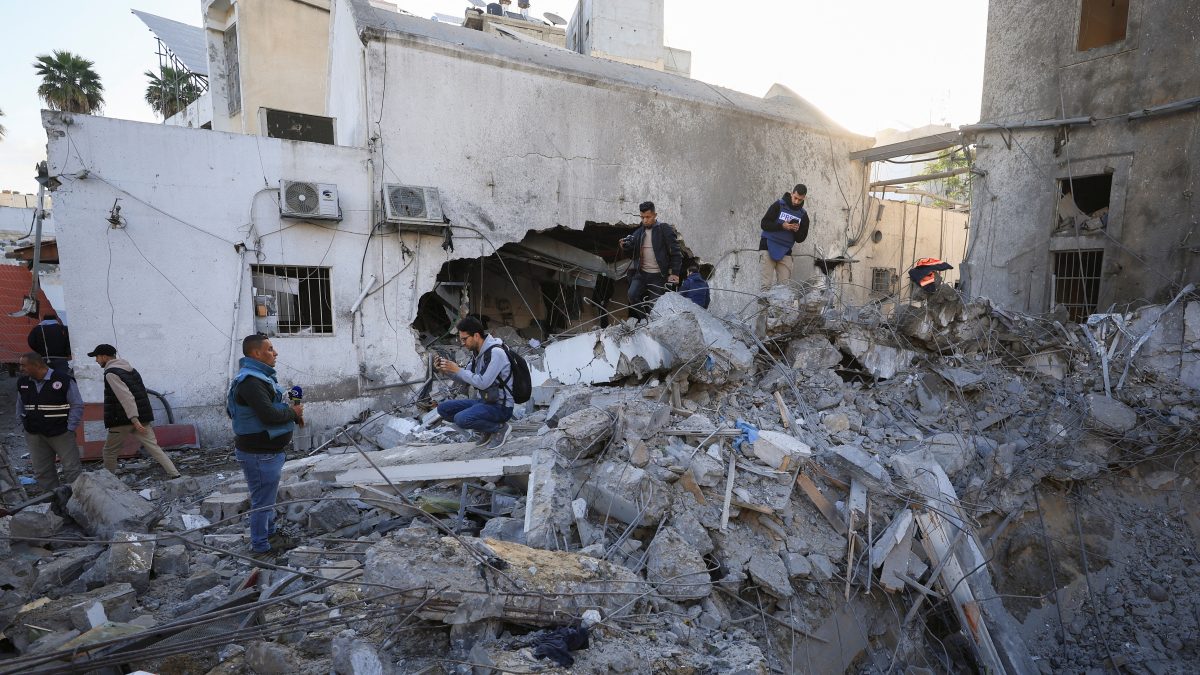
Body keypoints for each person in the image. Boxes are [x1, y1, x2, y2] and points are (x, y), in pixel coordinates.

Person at [227, 334, 303, 563]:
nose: (276, 353)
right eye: (270, 349)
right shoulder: (251, 382)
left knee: (266, 499)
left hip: (266, 453)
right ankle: (260, 548)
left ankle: (270, 535)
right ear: (255, 353)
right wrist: (293, 413)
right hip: (259, 454)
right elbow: (268, 415)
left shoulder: (259, 378)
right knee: (262, 503)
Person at [89, 344, 181, 479]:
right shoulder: (131, 369)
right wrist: (138, 419)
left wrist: (134, 419)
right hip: (141, 418)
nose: (96, 360)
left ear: (104, 356)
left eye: (97, 357)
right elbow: (141, 393)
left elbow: (125, 396)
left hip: (122, 420)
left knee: (109, 451)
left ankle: (108, 481)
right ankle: (175, 474)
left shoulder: (111, 373)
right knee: (154, 448)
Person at [435, 317, 514, 449]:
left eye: (465, 339)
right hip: (484, 402)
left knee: (461, 419)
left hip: (501, 406)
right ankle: (487, 430)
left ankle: (499, 428)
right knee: (443, 409)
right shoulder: (477, 354)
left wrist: (458, 369)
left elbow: (482, 383)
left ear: (476, 336)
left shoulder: (496, 353)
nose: (462, 343)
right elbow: (465, 379)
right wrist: (446, 370)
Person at [16, 352, 83, 491]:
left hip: (61, 433)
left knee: (72, 469)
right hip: (35, 434)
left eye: (24, 365)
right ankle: (53, 502)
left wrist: (70, 428)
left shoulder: (63, 380)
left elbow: (76, 404)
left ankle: (78, 500)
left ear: (36, 365)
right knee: (42, 471)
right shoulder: (23, 382)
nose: (20, 368)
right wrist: (24, 425)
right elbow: (20, 405)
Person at [618, 201, 682, 321]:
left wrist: (675, 273)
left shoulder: (664, 229)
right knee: (632, 295)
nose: (645, 220)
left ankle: (653, 323)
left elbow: (676, 253)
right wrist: (625, 247)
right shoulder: (638, 233)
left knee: (655, 307)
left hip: (658, 276)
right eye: (642, 217)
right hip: (641, 274)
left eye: (648, 217)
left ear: (655, 215)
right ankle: (644, 319)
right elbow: (632, 255)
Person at [759, 184, 810, 288]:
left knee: (784, 289)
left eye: (800, 200)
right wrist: (782, 226)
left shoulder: (803, 215)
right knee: (765, 286)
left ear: (804, 198)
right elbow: (764, 224)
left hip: (785, 251)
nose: (796, 202)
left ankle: (779, 305)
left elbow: (801, 238)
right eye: (795, 198)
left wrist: (796, 230)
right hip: (768, 246)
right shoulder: (778, 205)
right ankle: (764, 304)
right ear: (791, 194)